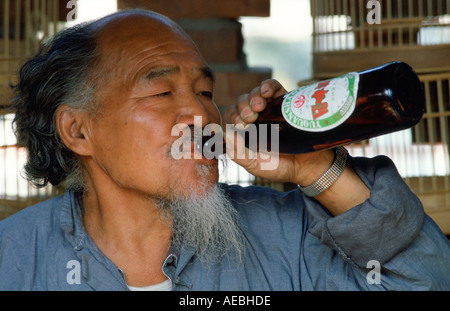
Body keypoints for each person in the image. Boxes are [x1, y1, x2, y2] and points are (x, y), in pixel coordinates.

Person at [0, 9, 449, 291]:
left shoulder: (282, 237)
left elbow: (426, 280)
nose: (200, 115)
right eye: (161, 94)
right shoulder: (14, 260)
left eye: (205, 91)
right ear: (78, 131)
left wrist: (315, 168)